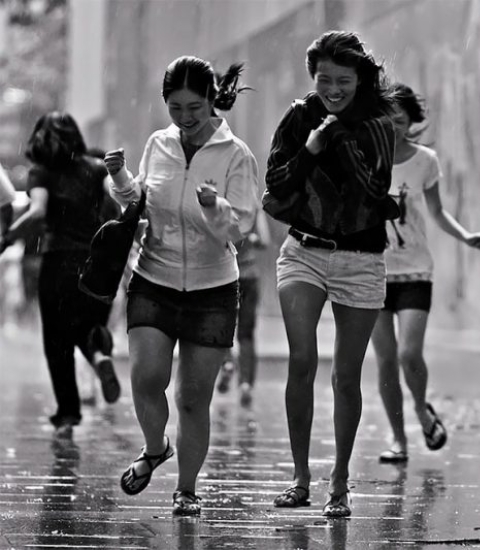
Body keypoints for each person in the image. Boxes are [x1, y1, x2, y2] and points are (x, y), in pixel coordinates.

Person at [104, 56, 259, 516]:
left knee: (193, 398)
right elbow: (140, 202)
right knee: (146, 378)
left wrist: (214, 206)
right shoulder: (159, 144)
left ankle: (186, 490)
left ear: (212, 100)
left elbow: (241, 227)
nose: (185, 117)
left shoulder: (236, 155)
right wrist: (120, 177)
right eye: (175, 107)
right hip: (154, 276)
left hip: (213, 288)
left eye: (194, 107)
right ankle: (156, 448)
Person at [264, 30, 396, 517]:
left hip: (361, 260)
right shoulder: (300, 116)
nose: (333, 89)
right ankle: (300, 477)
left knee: (346, 375)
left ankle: (339, 481)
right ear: (312, 77)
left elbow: (374, 192)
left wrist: (339, 138)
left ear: (360, 78)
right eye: (324, 79)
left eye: (343, 80)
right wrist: (312, 147)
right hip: (304, 251)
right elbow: (276, 182)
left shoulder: (379, 125)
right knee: (302, 359)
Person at [371, 83, 480, 464]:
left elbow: (437, 212)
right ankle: (398, 438)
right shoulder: (364, 156)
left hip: (415, 272)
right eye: (387, 119)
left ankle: (421, 409)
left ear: (411, 122)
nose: (393, 127)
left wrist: (466, 236)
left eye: (400, 120)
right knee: (385, 360)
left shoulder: (425, 161)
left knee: (409, 353)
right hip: (372, 272)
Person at [0, 112, 121, 437]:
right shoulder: (96, 168)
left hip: (58, 261)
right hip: (94, 263)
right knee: (84, 324)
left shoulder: (42, 172)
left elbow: (38, 213)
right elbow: (115, 207)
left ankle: (68, 414)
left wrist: (7, 238)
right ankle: (98, 355)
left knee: (57, 339)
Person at [215, 208, 270, 407]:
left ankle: (227, 362)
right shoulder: (254, 207)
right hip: (249, 274)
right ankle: (246, 383)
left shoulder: (221, 205)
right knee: (246, 333)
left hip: (224, 275)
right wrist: (250, 239)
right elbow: (264, 241)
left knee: (221, 326)